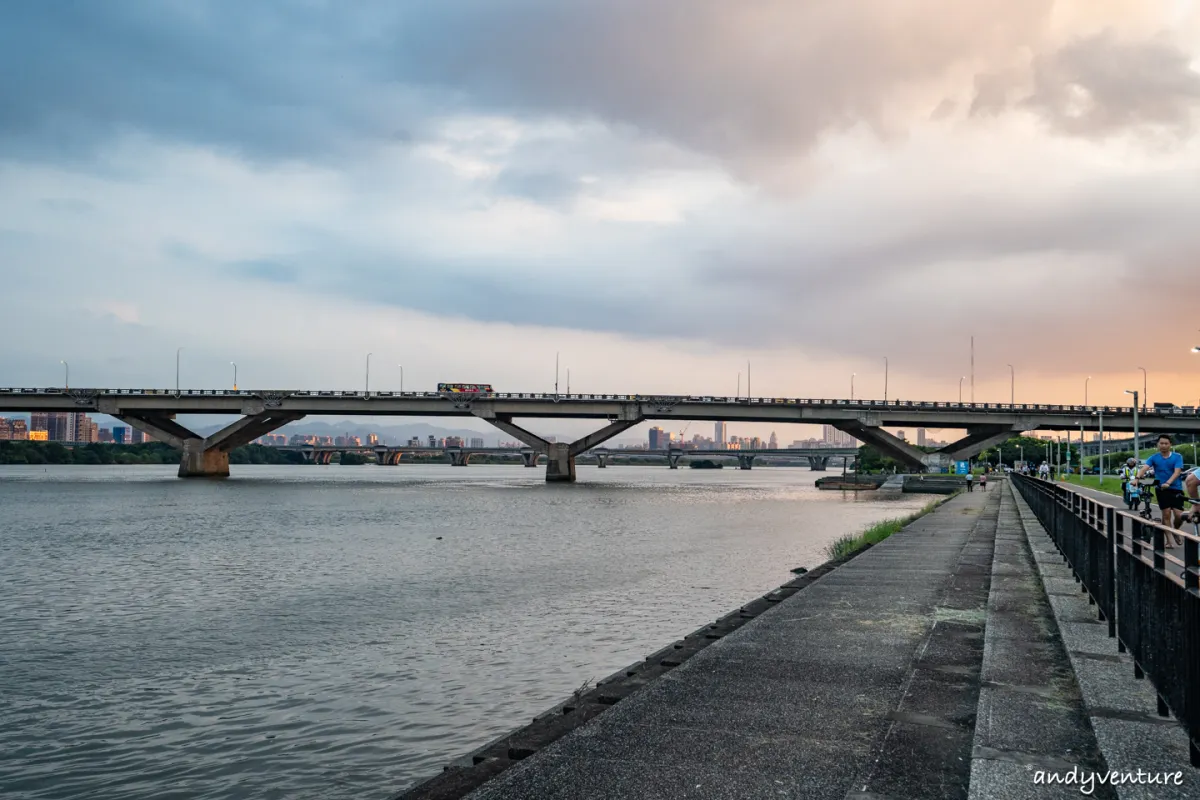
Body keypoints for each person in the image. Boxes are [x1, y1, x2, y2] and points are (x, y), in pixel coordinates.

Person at [1139, 434, 1186, 544]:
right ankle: (1169, 541)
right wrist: (1137, 478)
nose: (1163, 445)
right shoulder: (1154, 457)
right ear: (1158, 444)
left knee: (1179, 516)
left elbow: (1177, 472)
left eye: (1166, 443)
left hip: (1176, 489)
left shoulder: (1177, 457)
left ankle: (1175, 530)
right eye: (1161, 443)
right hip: (1161, 489)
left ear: (1170, 445)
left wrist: (1168, 483)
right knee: (1166, 515)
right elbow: (1145, 468)